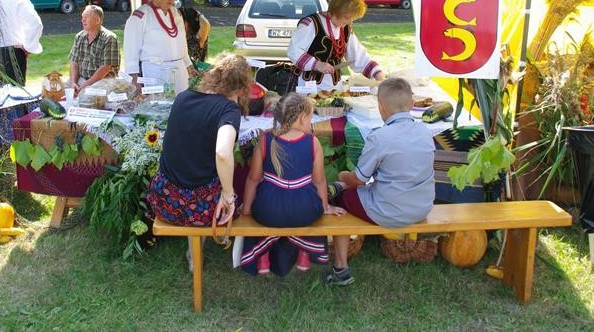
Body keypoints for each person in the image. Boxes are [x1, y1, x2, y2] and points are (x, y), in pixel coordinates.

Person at [327, 77, 435, 285]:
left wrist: (342, 177)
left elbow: (358, 180)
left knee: (342, 197)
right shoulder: (425, 132)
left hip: (390, 211)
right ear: (412, 105)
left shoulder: (380, 137)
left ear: (380, 107)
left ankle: (340, 268)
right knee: (361, 188)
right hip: (422, 208)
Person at [239, 93, 345, 276]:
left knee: (263, 208)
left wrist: (247, 209)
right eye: (310, 117)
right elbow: (319, 180)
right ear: (303, 117)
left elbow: (253, 179)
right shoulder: (313, 142)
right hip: (305, 212)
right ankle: (304, 254)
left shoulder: (265, 140)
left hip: (268, 211)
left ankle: (263, 258)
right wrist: (325, 206)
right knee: (306, 204)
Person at [147, 53, 252, 230]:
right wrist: (228, 195)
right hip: (201, 208)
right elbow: (223, 152)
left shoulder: (183, 97)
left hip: (162, 199)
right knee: (236, 192)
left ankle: (193, 250)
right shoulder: (229, 110)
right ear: (242, 87)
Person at [286, 0, 385, 90]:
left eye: (352, 19)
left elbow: (358, 56)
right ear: (337, 11)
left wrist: (378, 74)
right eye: (347, 17)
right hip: (307, 87)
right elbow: (294, 51)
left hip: (334, 87)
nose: (349, 22)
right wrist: (316, 64)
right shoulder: (311, 24)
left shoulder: (345, 29)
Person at [124, 0, 194, 94]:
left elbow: (182, 45)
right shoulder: (140, 16)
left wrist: (189, 66)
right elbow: (131, 54)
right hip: (155, 75)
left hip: (180, 74)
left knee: (182, 109)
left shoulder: (176, 13)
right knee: (159, 111)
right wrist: (135, 81)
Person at [69, 5, 120, 96]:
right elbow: (74, 62)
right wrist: (73, 83)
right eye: (82, 17)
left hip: (103, 82)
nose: (83, 20)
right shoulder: (79, 37)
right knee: (59, 89)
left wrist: (85, 85)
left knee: (89, 98)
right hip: (81, 79)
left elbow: (105, 68)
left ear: (98, 20)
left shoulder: (109, 38)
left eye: (87, 17)